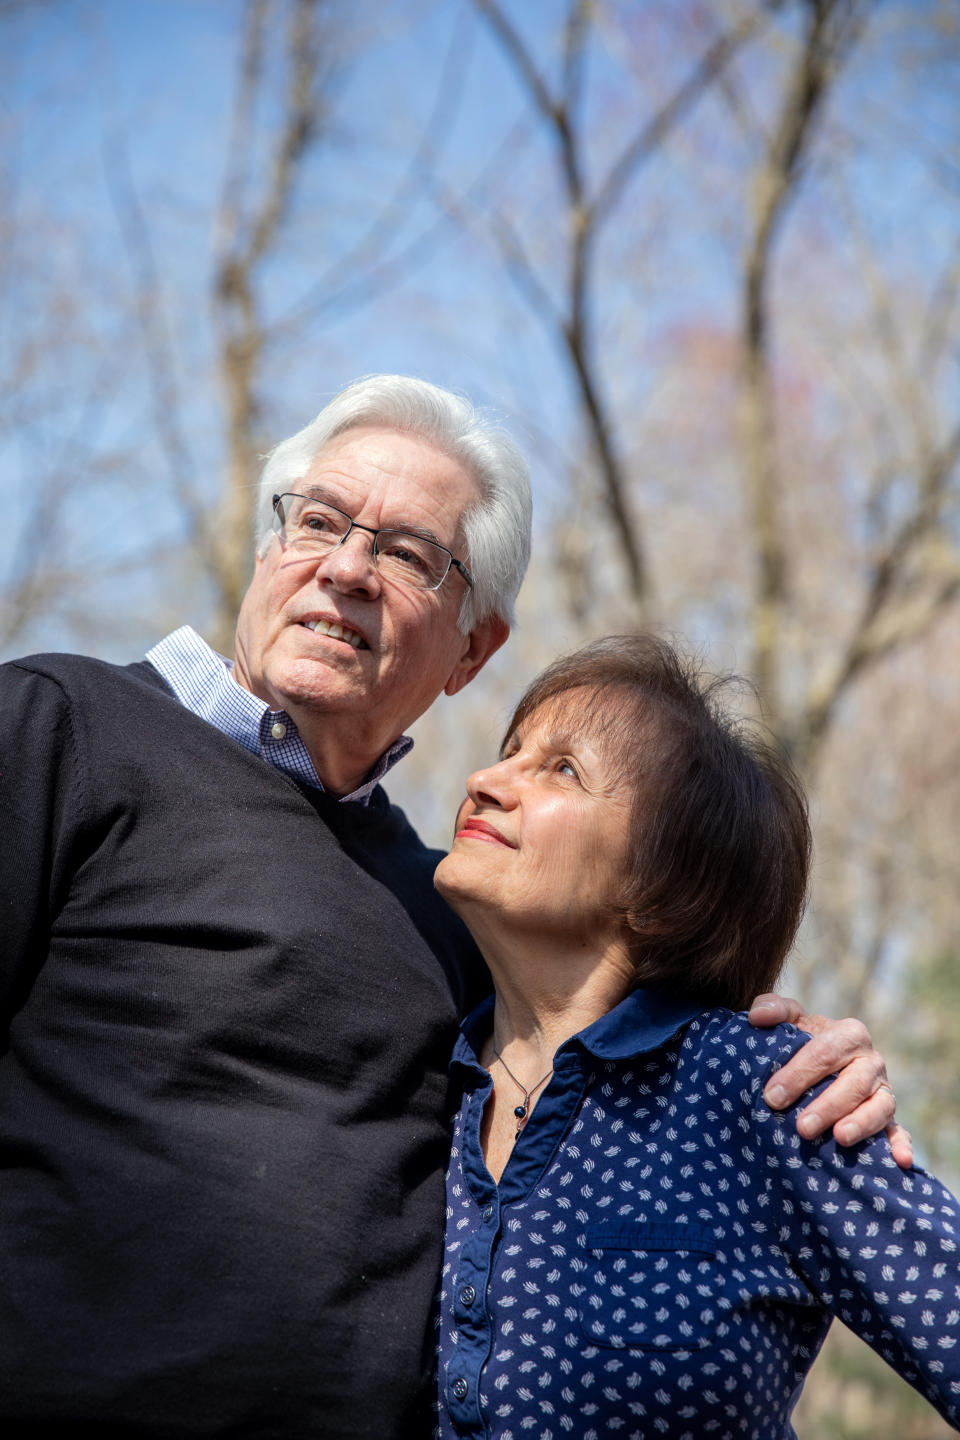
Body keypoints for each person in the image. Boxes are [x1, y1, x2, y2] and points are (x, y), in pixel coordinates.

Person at [0, 377, 902, 1439]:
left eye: (408, 554)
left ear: (473, 649)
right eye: (321, 521)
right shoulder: (63, 726)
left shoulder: (458, 915)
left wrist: (802, 1057)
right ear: (266, 548)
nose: (345, 568)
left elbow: (623, 1049)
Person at [433, 634, 960, 1439]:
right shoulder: (426, 1085)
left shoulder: (763, 1087)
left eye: (562, 769)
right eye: (508, 754)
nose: (484, 782)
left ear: (661, 883)